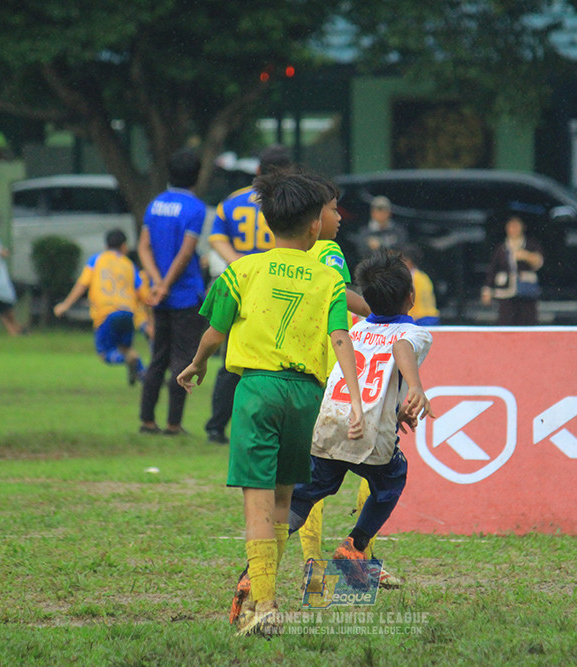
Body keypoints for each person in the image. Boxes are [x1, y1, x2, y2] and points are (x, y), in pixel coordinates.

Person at [176, 169, 364, 637]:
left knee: (257, 500)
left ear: (267, 223)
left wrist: (198, 363)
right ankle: (268, 600)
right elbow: (340, 337)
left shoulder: (241, 270)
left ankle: (263, 604)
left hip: (257, 391)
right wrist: (356, 399)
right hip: (306, 396)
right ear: (314, 226)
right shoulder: (327, 278)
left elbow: (214, 333)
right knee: (283, 499)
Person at [288, 249, 434, 592]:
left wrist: (396, 406)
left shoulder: (357, 327)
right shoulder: (416, 333)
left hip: (329, 422)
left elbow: (377, 375)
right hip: (367, 432)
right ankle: (354, 547)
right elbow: (400, 349)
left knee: (304, 495)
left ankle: (260, 557)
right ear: (411, 298)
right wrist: (416, 387)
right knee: (391, 480)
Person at [204, 145, 292, 444]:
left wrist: (240, 263)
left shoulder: (232, 201)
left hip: (243, 285)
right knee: (283, 354)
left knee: (232, 356)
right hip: (282, 286)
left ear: (257, 170)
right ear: (288, 170)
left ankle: (216, 426)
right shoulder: (291, 200)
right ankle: (278, 424)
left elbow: (216, 237)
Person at [137, 148, 208, 436]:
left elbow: (143, 246)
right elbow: (186, 252)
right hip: (184, 295)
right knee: (182, 358)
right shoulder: (195, 208)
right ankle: (173, 424)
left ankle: (146, 420)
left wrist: (156, 284)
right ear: (196, 175)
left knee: (158, 357)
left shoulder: (155, 204)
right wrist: (167, 285)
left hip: (159, 296)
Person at [53, 229, 152, 385]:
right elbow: (144, 296)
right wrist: (150, 320)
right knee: (125, 347)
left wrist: (65, 305)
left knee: (105, 354)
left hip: (107, 313)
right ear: (124, 246)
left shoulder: (96, 260)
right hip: (127, 312)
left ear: (106, 245)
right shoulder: (129, 265)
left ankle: (130, 361)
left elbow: (82, 284)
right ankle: (145, 377)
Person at [481, 216, 544, 326]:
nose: (514, 229)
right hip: (506, 293)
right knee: (506, 323)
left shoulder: (531, 244)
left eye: (516, 226)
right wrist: (487, 289)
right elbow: (492, 269)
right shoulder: (501, 248)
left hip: (526, 292)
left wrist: (526, 256)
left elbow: (539, 262)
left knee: (527, 323)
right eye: (511, 226)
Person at [354, 196, 408, 260]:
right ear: (372, 213)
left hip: (393, 267)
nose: (381, 214)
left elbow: (402, 252)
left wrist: (380, 246)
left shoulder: (398, 231)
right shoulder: (364, 232)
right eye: (379, 210)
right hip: (372, 267)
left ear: (390, 213)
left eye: (384, 210)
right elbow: (361, 253)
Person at [401, 244, 440, 326]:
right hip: (428, 318)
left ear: (409, 261)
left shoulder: (414, 279)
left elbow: (413, 302)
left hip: (422, 319)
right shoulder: (422, 276)